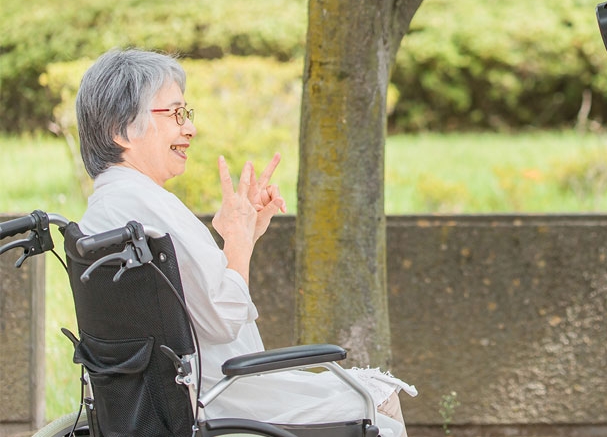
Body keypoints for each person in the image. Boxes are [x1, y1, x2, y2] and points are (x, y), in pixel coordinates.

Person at [75, 48, 416, 436]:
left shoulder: (108, 209)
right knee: (380, 397)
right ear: (122, 130)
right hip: (222, 397)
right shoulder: (150, 210)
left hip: (168, 400)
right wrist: (237, 241)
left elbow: (192, 309)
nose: (190, 129)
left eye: (187, 113)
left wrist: (244, 234)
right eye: (174, 114)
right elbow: (221, 319)